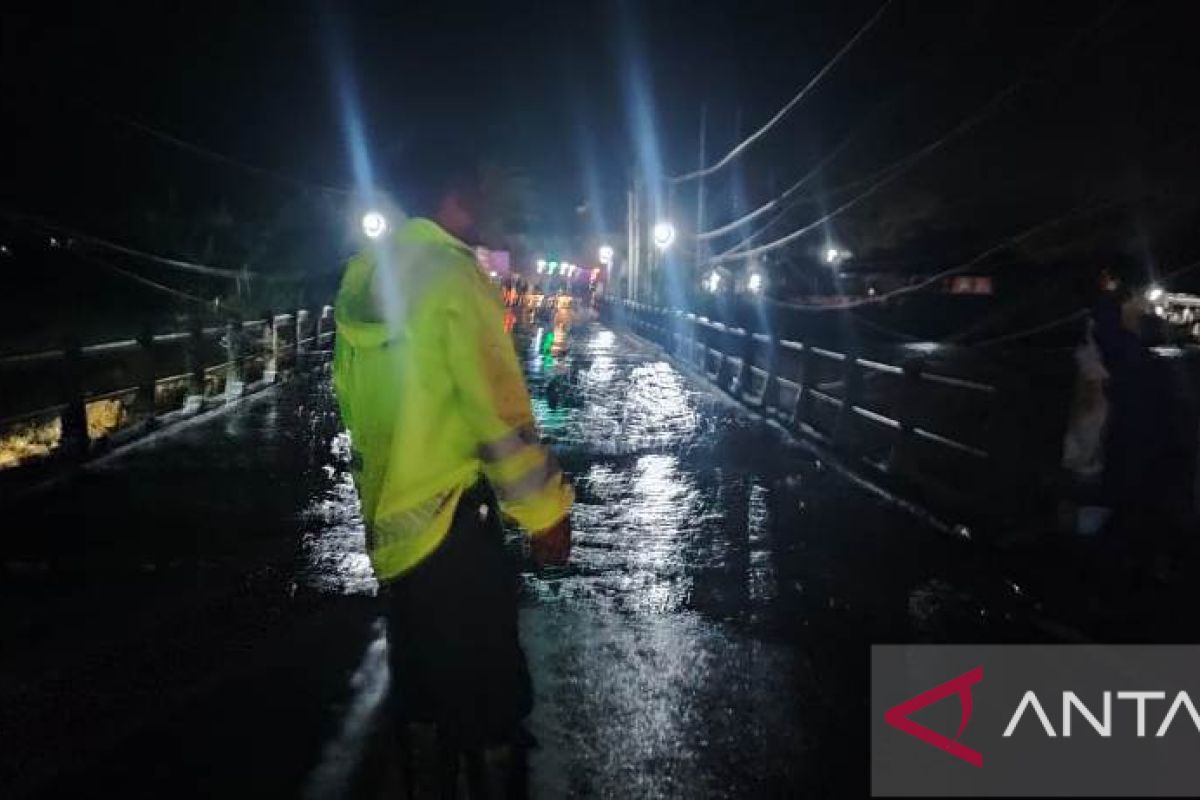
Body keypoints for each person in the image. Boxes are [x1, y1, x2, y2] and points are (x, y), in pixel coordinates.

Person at [331, 145, 573, 777]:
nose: (492, 207)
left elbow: (356, 410)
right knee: (492, 706)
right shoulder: (454, 279)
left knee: (421, 701)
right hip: (454, 528)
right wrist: (545, 512)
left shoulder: (363, 280)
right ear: (459, 195)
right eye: (483, 191)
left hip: (394, 538)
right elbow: (497, 416)